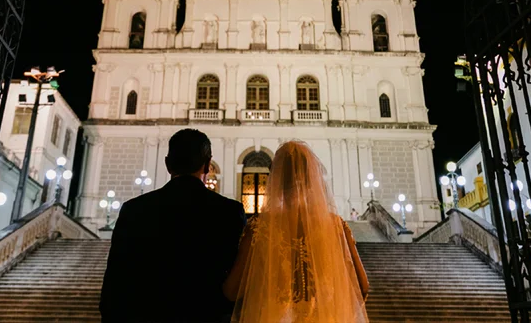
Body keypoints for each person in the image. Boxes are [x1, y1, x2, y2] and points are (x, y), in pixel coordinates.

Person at [100, 129, 246, 323]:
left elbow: (115, 284)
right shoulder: (230, 211)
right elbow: (235, 282)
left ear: (168, 164)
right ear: (207, 165)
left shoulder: (134, 210)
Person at [222, 141, 370, 323]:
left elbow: (232, 290)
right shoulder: (336, 226)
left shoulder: (259, 227)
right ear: (311, 179)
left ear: (275, 179)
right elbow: (362, 286)